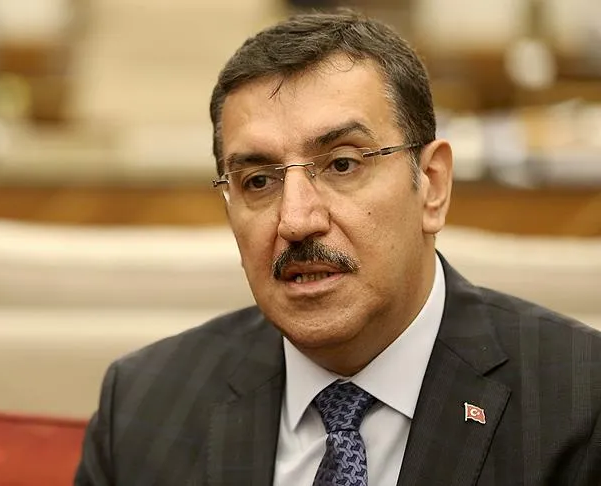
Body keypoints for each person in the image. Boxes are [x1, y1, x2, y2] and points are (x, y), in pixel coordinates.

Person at [74, 9, 601, 486]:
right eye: (259, 181)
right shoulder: (144, 407)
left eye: (342, 165)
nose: (296, 220)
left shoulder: (580, 403)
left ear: (432, 186)